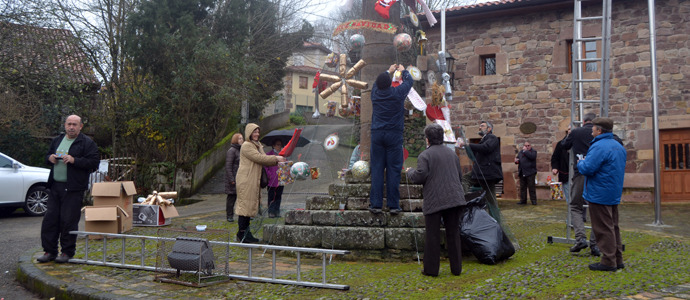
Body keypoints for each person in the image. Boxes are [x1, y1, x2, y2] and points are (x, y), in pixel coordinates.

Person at [37, 115, 99, 263]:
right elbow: (47, 156)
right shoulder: (57, 140)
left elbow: (94, 163)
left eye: (75, 124)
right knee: (50, 220)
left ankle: (67, 252)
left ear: (80, 126)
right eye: (69, 124)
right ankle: (49, 251)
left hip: (73, 188)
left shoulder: (86, 143)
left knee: (68, 221)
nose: (71, 127)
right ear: (65, 125)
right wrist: (49, 158)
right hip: (55, 186)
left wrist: (74, 160)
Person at [406, 124, 466, 277]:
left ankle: (431, 270)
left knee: (432, 235)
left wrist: (410, 172)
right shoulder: (452, 154)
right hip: (455, 197)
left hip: (435, 199)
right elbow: (459, 176)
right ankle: (456, 268)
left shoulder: (425, 155)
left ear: (427, 139)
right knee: (453, 233)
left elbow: (420, 176)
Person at [576, 118, 626, 271]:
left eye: (593, 128)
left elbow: (588, 168)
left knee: (603, 228)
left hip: (599, 192)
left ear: (599, 130)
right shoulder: (618, 145)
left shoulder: (599, 146)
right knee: (613, 226)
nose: (591, 131)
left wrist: (580, 162)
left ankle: (608, 261)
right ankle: (617, 259)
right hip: (612, 191)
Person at [369, 64, 413, 215]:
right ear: (389, 83)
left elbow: (376, 83)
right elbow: (409, 82)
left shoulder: (374, 93)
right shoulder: (397, 93)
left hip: (377, 133)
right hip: (394, 134)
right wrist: (402, 70)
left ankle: (376, 204)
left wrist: (388, 70)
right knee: (394, 169)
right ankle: (393, 205)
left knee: (377, 168)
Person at [235, 123, 286, 243]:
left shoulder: (257, 146)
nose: (257, 134)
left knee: (249, 207)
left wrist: (278, 158)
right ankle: (242, 234)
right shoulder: (247, 146)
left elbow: (265, 159)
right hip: (246, 180)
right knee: (245, 208)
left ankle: (246, 233)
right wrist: (276, 158)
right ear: (249, 133)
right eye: (254, 131)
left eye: (258, 131)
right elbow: (260, 159)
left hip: (253, 180)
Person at [561, 113, 599, 256]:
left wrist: (570, 134)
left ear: (583, 121)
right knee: (596, 208)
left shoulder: (577, 132)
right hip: (596, 175)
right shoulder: (599, 133)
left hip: (580, 173)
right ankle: (595, 245)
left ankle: (580, 238)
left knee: (575, 205)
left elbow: (564, 145)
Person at [457, 121, 503, 222]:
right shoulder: (484, 139)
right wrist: (466, 146)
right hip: (482, 172)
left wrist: (469, 144)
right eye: (480, 126)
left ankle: (464, 203)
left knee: (491, 198)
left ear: (489, 129)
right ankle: (464, 202)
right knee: (466, 180)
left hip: (487, 172)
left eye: (482, 126)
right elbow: (477, 154)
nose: (479, 128)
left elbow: (486, 148)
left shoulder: (492, 138)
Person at [224, 133, 244, 222]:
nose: (241, 140)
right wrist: (231, 179)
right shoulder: (231, 151)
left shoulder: (242, 150)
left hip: (240, 177)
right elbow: (228, 166)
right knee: (231, 198)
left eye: (242, 138)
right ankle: (229, 215)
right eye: (239, 138)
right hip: (233, 178)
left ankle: (242, 214)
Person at [551, 126, 572, 205]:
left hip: (578, 174)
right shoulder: (561, 144)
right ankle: (571, 216)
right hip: (565, 174)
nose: (571, 131)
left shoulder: (579, 142)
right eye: (569, 129)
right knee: (569, 198)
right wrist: (555, 167)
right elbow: (555, 157)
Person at [265, 139, 284, 218]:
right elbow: (265, 166)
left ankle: (277, 211)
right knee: (271, 196)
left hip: (281, 179)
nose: (279, 146)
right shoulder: (269, 154)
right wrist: (269, 175)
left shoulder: (282, 155)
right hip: (272, 180)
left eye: (280, 145)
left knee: (278, 196)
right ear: (273, 145)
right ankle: (271, 211)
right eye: (278, 145)